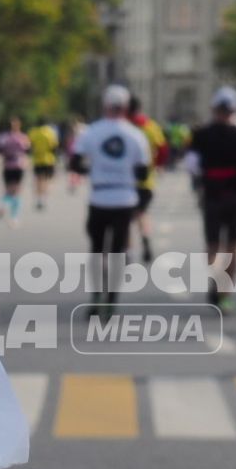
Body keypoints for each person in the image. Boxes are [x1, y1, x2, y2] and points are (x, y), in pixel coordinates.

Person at [70, 84, 152, 314]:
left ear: (105, 105)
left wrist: (96, 170)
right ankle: (111, 299)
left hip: (99, 196)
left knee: (97, 249)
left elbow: (75, 162)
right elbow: (143, 172)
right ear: (126, 107)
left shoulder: (91, 132)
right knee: (117, 251)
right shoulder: (136, 135)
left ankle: (96, 295)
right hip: (125, 198)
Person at [185, 86, 236, 313]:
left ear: (213, 109)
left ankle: (216, 282)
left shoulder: (201, 135)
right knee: (233, 245)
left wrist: (200, 182)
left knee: (213, 245)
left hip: (212, 195)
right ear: (235, 110)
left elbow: (191, 165)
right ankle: (225, 292)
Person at [126, 93, 167, 264]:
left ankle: (129, 251)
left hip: (126, 180)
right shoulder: (151, 126)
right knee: (142, 213)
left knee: (127, 217)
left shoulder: (125, 127)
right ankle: (146, 240)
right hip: (147, 180)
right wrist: (157, 164)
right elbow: (163, 148)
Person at [0, 115, 31, 223]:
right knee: (16, 192)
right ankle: (14, 216)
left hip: (7, 165)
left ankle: (2, 205)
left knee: (8, 190)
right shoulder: (23, 137)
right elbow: (27, 149)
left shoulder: (3, 137)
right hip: (18, 166)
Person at [27, 117, 59, 210]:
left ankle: (39, 199)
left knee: (38, 180)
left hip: (37, 159)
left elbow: (30, 146)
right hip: (48, 159)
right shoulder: (50, 132)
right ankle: (44, 199)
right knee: (47, 180)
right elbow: (54, 147)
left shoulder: (33, 132)